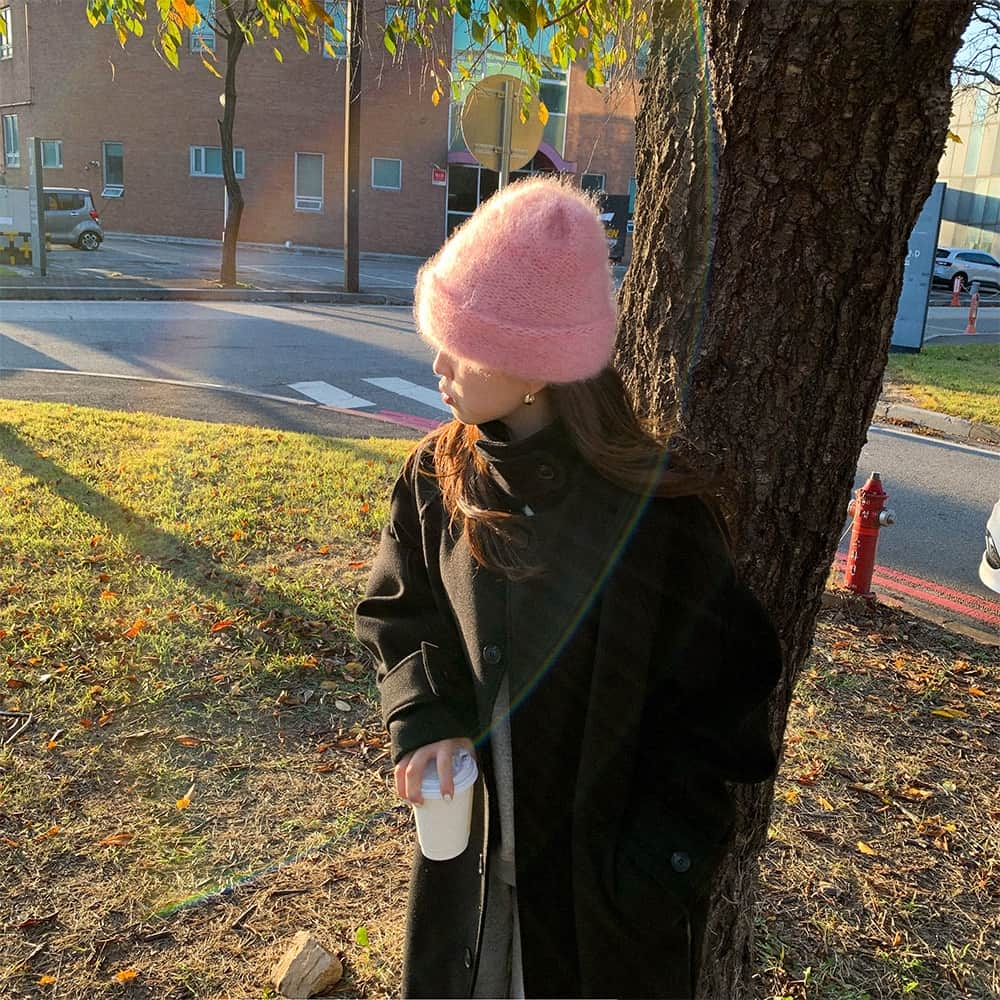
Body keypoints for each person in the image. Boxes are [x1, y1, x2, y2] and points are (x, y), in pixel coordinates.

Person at [355, 176, 782, 999]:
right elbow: (401, 610)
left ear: (534, 368)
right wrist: (425, 717)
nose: (437, 363)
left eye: (461, 342)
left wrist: (655, 870)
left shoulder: (657, 519)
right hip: (472, 879)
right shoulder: (437, 476)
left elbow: (726, 707)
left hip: (604, 917)